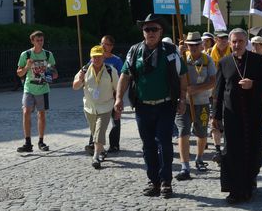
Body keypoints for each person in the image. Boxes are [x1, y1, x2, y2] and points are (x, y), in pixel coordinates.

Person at [115, 14, 188, 198]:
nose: (151, 33)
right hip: (142, 106)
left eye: (154, 29)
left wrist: (183, 100)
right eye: (147, 29)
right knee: (147, 145)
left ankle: (165, 182)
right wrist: (118, 99)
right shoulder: (134, 51)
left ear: (161, 31)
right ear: (143, 32)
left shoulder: (171, 51)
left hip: (165, 105)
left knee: (164, 142)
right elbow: (125, 76)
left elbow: (182, 76)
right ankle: (153, 181)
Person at [212, 28, 262, 204]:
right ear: (230, 43)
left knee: (251, 149)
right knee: (231, 152)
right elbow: (218, 90)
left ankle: (248, 184)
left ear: (246, 42)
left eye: (240, 41)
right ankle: (233, 189)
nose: (236, 45)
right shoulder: (224, 62)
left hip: (253, 114)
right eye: (234, 42)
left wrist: (253, 84)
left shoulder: (258, 60)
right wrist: (215, 115)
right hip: (232, 115)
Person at [175, 32, 216, 181]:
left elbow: (213, 81)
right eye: (190, 45)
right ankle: (184, 166)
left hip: (202, 103)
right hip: (184, 102)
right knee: (183, 131)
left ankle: (199, 158)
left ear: (201, 45)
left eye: (196, 45)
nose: (192, 48)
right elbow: (174, 76)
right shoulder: (182, 59)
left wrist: (196, 89)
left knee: (201, 133)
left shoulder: (207, 60)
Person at [73, 45, 119, 169]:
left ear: (103, 57)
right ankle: (102, 150)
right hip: (89, 107)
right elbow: (75, 86)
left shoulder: (111, 70)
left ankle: (95, 157)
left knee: (99, 131)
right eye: (94, 57)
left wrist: (118, 103)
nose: (97, 59)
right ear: (91, 58)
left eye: (99, 56)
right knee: (95, 132)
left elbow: (117, 88)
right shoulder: (84, 70)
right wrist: (80, 79)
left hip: (106, 106)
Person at [16, 30, 58, 153]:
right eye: (37, 40)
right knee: (26, 112)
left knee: (41, 114)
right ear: (32, 41)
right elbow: (19, 73)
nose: (40, 43)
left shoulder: (48, 55)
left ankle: (41, 141)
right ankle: (28, 142)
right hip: (29, 88)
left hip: (43, 89)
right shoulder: (26, 54)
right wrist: (27, 67)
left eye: (42, 40)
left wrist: (52, 74)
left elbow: (55, 73)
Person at [85, 35, 124, 156]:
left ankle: (114, 144)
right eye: (102, 43)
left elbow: (122, 78)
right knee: (96, 120)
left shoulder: (116, 61)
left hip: (111, 94)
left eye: (106, 44)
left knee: (115, 119)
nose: (103, 46)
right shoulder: (95, 56)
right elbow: (87, 70)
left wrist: (119, 96)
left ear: (111, 47)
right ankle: (93, 144)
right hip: (96, 98)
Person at [209, 31, 231, 163]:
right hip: (214, 94)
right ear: (216, 39)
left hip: (229, 94)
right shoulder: (208, 54)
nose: (223, 40)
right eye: (220, 38)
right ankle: (217, 150)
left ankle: (228, 149)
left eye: (225, 38)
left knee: (229, 124)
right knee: (214, 122)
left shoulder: (234, 52)